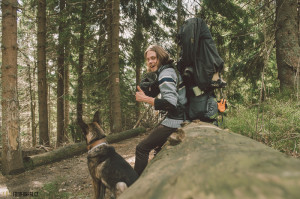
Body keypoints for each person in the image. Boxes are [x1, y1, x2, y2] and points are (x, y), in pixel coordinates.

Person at [134, 45, 188, 176]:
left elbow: (171, 103)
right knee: (158, 148)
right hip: (178, 116)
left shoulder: (165, 74)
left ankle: (134, 185)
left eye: (153, 58)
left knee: (141, 148)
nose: (150, 62)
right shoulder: (168, 70)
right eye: (148, 59)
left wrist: (146, 99)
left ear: (161, 57)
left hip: (176, 120)